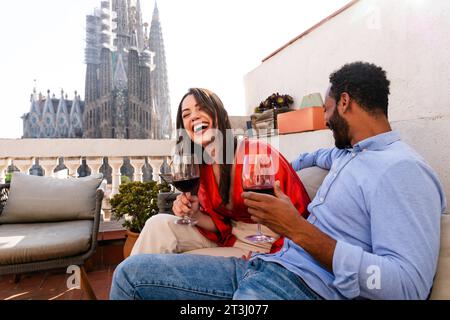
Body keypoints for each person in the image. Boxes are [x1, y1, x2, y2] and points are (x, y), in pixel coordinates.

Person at [110, 62, 446, 300]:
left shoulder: (401, 169)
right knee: (129, 275)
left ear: (345, 103)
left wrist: (297, 229)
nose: (324, 120)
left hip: (295, 281)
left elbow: (407, 288)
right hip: (269, 265)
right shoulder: (348, 154)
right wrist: (291, 163)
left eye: (326, 110)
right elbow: (313, 158)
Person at [131, 88, 311, 257]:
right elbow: (221, 226)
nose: (194, 116)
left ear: (220, 115)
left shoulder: (257, 154)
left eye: (201, 108)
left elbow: (300, 212)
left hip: (264, 245)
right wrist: (195, 214)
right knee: (156, 224)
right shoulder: (201, 167)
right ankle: (127, 286)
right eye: (186, 114)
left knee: (171, 267)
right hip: (228, 239)